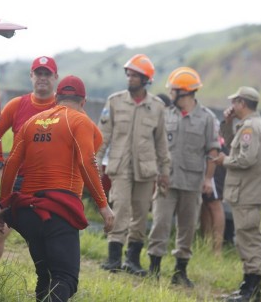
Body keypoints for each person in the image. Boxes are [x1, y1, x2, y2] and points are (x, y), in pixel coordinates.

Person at [0, 75, 114, 302]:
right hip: (58, 214)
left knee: (46, 275)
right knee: (65, 278)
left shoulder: (32, 122)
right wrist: (103, 206)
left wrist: (3, 203)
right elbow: (88, 160)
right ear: (84, 102)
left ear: (56, 97)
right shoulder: (81, 122)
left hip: (27, 213)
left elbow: (10, 165)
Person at [0, 56, 59, 279]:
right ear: (31, 76)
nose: (42, 78)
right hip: (18, 180)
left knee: (51, 236)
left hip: (50, 182)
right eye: (38, 73)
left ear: (55, 77)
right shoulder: (17, 105)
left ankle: (50, 287)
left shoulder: (62, 109)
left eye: (47, 74)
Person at [97, 54, 171, 277]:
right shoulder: (115, 101)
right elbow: (103, 136)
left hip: (146, 170)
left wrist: (165, 171)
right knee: (120, 208)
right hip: (119, 167)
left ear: (146, 79)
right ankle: (113, 259)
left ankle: (133, 260)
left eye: (135, 76)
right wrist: (96, 161)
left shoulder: (157, 107)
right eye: (128, 74)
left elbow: (161, 143)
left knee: (140, 213)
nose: (130, 78)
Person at [146, 67, 219, 285]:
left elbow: (213, 151)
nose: (170, 94)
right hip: (165, 180)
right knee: (160, 223)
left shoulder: (207, 119)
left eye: (174, 91)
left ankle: (180, 272)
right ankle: (154, 269)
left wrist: (208, 179)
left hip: (192, 182)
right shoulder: (165, 114)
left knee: (187, 227)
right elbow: (155, 145)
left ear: (185, 93)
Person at [213, 86, 261, 302]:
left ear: (242, 104)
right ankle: (248, 286)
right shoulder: (248, 126)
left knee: (249, 238)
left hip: (248, 192)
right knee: (245, 238)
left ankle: (252, 290)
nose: (231, 106)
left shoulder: (251, 128)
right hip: (246, 191)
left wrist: (223, 161)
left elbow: (245, 159)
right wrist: (227, 124)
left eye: (234, 102)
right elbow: (231, 145)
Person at [200, 115, 227, 256]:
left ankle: (217, 251)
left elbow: (214, 146)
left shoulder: (206, 116)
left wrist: (208, 177)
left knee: (214, 203)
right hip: (202, 160)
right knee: (205, 203)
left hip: (213, 159)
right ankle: (206, 245)